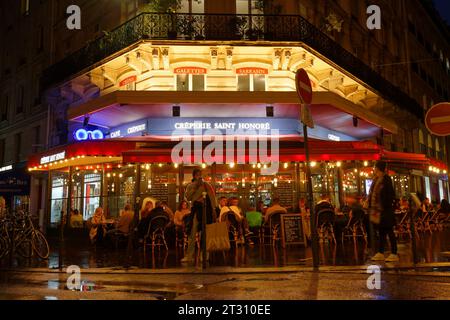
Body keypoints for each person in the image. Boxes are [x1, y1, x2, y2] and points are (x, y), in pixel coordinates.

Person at [181, 168, 217, 263]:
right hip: (196, 211)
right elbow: (187, 197)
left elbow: (213, 198)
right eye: (197, 175)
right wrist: (195, 186)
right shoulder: (190, 186)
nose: (199, 177)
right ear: (194, 176)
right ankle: (189, 255)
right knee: (192, 233)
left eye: (200, 175)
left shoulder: (207, 185)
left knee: (205, 233)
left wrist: (214, 210)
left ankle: (204, 254)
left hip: (206, 211)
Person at [368, 161, 398, 262]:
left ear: (378, 168)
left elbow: (390, 195)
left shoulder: (386, 179)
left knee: (389, 231)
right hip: (378, 211)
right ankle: (380, 252)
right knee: (381, 232)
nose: (374, 169)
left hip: (385, 210)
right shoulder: (376, 180)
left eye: (375, 167)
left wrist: (384, 205)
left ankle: (394, 253)